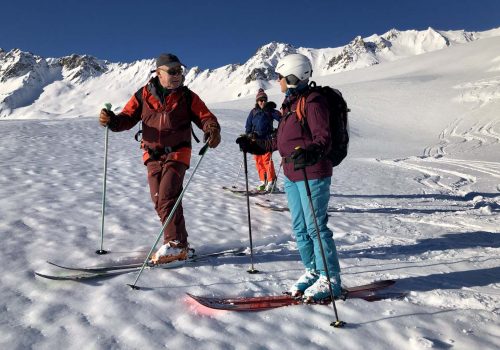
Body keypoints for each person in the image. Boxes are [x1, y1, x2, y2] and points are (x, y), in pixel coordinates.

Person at [236, 54, 341, 301]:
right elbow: (280, 141)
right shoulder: (289, 104)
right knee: (300, 228)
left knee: (316, 228)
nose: (278, 81)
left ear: (292, 77)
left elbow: (323, 138)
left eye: (281, 77)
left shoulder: (313, 102)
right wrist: (257, 146)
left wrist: (312, 152)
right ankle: (312, 271)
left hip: (312, 173)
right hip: (292, 175)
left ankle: (330, 278)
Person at [99, 53, 221, 265]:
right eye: (172, 71)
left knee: (167, 195)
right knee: (160, 199)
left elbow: (206, 117)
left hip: (178, 153)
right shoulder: (143, 95)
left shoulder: (187, 96)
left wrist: (212, 129)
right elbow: (126, 119)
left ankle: (175, 244)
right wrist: (111, 120)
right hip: (152, 154)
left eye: (180, 71)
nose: (178, 75)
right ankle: (180, 243)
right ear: (159, 73)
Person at [244, 88, 281, 191]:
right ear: (257, 101)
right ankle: (263, 181)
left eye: (264, 100)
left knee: (266, 160)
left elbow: (282, 119)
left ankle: (271, 182)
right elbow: (248, 124)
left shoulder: (270, 111)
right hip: (255, 140)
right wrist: (249, 134)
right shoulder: (253, 111)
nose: (262, 102)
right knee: (258, 160)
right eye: (260, 100)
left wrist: (277, 131)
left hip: (267, 139)